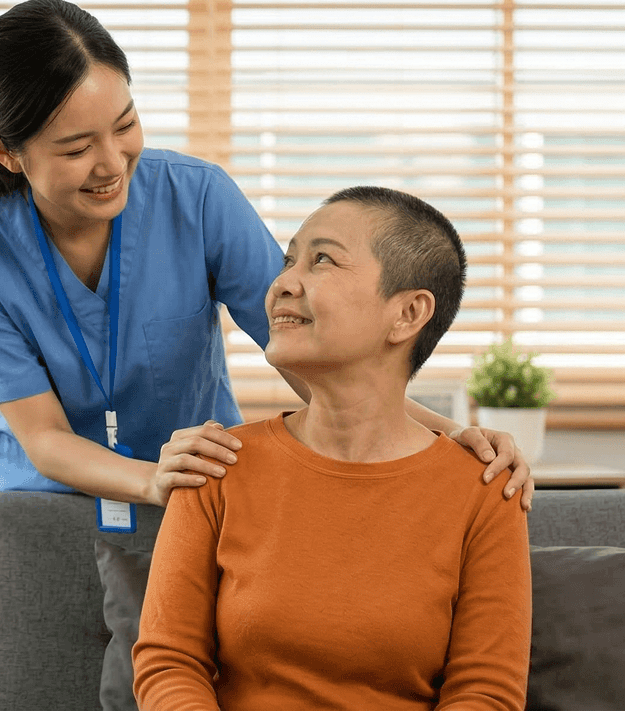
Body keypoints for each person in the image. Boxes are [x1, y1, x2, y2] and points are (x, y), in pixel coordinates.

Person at [0, 0, 533, 509]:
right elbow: (44, 437)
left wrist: (447, 435)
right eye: (77, 149)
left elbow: (310, 357)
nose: (112, 163)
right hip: (47, 505)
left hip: (199, 492)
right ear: (7, 152)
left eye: (124, 126)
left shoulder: (198, 198)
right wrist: (151, 479)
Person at [131, 187, 532, 710]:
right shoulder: (215, 464)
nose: (281, 284)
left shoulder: (485, 490)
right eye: (288, 261)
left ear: (408, 313)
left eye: (322, 260)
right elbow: (169, 664)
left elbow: (486, 693)